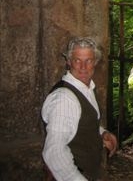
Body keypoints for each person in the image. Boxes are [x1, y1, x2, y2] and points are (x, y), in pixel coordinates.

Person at [41, 37, 118, 180]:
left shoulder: (86, 89)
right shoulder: (64, 99)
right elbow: (54, 152)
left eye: (88, 60)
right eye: (77, 60)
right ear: (69, 62)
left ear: (95, 62)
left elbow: (79, 122)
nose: (83, 67)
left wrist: (102, 133)